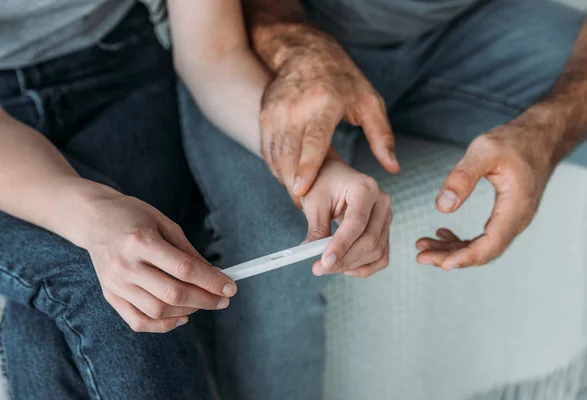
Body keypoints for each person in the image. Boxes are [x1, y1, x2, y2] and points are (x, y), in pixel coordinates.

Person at [177, 0, 587, 399]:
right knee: (279, 246)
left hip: (465, 26)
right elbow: (211, 47)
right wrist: (290, 38)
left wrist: (553, 127)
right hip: (262, 39)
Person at [0, 0, 391, 398]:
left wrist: (311, 166)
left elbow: (215, 52)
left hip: (124, 74)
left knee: (127, 288)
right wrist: (93, 215)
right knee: (112, 288)